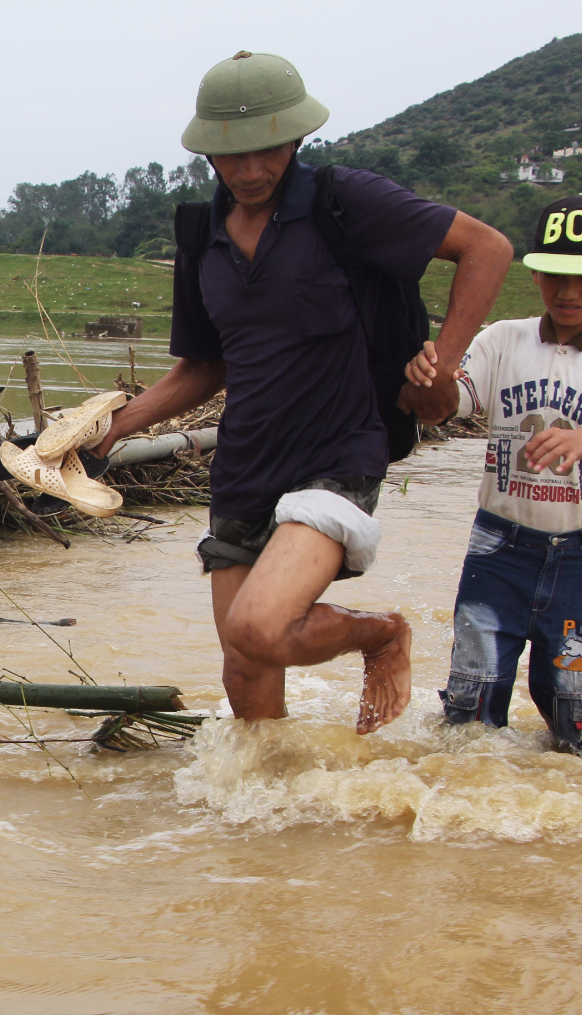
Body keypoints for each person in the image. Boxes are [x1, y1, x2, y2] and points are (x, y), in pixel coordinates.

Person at [92, 51, 512, 733]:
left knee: (261, 624)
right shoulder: (202, 237)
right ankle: (271, 819)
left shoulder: (345, 202)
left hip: (336, 452)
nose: (253, 171)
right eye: (235, 156)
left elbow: (487, 248)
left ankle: (381, 634)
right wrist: (115, 427)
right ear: (208, 154)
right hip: (245, 465)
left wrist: (447, 361)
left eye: (270, 150)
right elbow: (204, 368)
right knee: (245, 665)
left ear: (296, 140)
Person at [404, 193, 582, 755]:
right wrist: (431, 374)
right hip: (498, 552)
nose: (568, 291)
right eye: (555, 275)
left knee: (580, 722)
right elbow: (451, 404)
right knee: (469, 714)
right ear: (536, 271)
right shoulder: (500, 340)